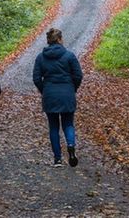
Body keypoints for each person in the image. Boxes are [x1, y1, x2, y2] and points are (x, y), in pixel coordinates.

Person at [32, 26, 83, 167]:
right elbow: (78, 75)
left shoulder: (41, 57)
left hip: (50, 95)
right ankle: (71, 146)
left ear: (48, 41)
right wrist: (73, 88)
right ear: (60, 39)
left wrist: (45, 90)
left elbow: (36, 78)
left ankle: (58, 159)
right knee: (68, 123)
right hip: (67, 93)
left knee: (53, 127)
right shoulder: (69, 56)